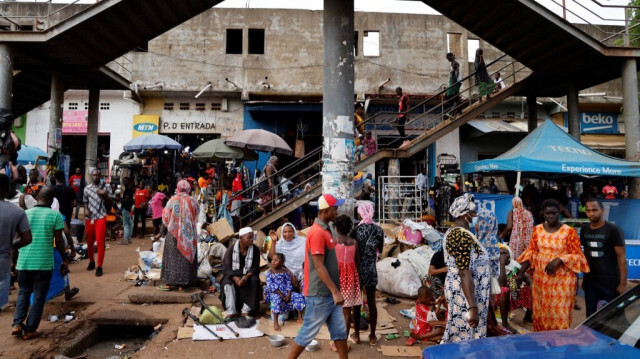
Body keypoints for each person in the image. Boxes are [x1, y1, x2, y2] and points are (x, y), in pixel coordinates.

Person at [287, 193, 348, 359]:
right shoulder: (317, 233)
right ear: (326, 211)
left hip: (329, 293)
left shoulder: (325, 230)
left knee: (340, 332)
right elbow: (319, 267)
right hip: (320, 294)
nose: (337, 212)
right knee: (307, 334)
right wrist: (335, 291)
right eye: (335, 209)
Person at [517, 199, 589, 332]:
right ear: (542, 214)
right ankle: (543, 343)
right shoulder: (537, 230)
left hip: (563, 280)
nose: (551, 216)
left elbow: (578, 256)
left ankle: (560, 344)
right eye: (547, 213)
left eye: (554, 213)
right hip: (541, 279)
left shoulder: (569, 232)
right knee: (542, 313)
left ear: (559, 212)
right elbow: (531, 253)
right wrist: (521, 272)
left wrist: (559, 259)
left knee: (560, 313)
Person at [12, 186, 67, 340]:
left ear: (37, 198)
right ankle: (30, 329)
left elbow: (16, 240)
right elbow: (59, 241)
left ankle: (17, 324)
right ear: (51, 200)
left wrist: (13, 261)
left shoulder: (24, 214)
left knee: (23, 292)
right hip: (43, 263)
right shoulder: (55, 216)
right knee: (38, 296)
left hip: (24, 262)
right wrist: (65, 259)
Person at [441, 194, 491, 343]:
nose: (476, 215)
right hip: (466, 294)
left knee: (462, 332)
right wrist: (473, 307)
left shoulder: (462, 233)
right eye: (473, 212)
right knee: (464, 334)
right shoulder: (460, 236)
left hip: (467, 292)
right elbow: (464, 273)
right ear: (464, 214)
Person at [580, 198, 627, 317]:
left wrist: (623, 284)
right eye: (588, 210)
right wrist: (585, 279)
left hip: (611, 281)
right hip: (592, 282)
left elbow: (621, 258)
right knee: (590, 316)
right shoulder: (584, 229)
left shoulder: (613, 230)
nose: (591, 213)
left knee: (615, 316)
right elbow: (586, 255)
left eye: (595, 210)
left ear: (602, 211)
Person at [158, 180, 199, 292]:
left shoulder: (172, 201)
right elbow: (196, 214)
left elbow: (166, 217)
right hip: (188, 235)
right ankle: (183, 285)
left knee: (172, 258)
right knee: (185, 258)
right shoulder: (193, 201)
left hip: (173, 234)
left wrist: (172, 226)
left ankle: (168, 283)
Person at [352, 200, 383, 346]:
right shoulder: (379, 230)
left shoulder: (356, 230)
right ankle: (372, 336)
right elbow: (381, 250)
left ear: (361, 212)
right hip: (371, 269)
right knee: (372, 303)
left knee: (356, 303)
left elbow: (352, 250)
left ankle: (357, 335)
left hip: (357, 269)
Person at [0, 174, 31, 311]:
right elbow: (27, 238)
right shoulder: (17, 212)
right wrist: (11, 245)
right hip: (3, 263)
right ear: (7, 189)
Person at [220, 227, 261, 319]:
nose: (252, 240)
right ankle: (231, 311)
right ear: (241, 238)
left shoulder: (255, 250)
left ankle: (245, 310)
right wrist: (235, 278)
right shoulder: (231, 250)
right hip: (233, 275)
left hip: (247, 275)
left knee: (254, 280)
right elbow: (226, 268)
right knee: (227, 283)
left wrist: (247, 276)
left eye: (252, 237)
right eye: (249, 238)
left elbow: (255, 267)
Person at [333, 215, 361, 348]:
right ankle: (343, 342)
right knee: (346, 311)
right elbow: (357, 262)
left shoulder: (335, 242)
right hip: (350, 277)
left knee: (336, 310)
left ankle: (337, 341)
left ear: (337, 229)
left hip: (337, 277)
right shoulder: (354, 243)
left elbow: (330, 261)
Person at [264, 253, 305, 331]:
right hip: (274, 292)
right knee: (276, 299)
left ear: (282, 262)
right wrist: (280, 294)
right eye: (272, 260)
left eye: (276, 260)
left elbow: (289, 283)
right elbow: (270, 285)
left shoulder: (285, 271)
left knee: (297, 296)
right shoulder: (270, 272)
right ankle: (275, 322)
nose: (273, 262)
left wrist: (289, 294)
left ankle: (300, 317)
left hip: (285, 292)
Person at [496, 243, 532, 333]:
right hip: (499, 295)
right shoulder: (496, 266)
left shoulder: (514, 264)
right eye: (500, 253)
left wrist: (532, 288)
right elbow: (503, 284)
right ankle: (505, 323)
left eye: (505, 253)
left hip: (514, 293)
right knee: (505, 291)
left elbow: (527, 278)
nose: (503, 256)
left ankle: (528, 317)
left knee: (532, 290)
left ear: (510, 254)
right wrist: (502, 264)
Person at [83, 169, 112, 277]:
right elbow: (85, 201)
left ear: (101, 176)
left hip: (101, 216)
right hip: (90, 218)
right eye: (94, 175)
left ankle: (99, 266)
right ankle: (91, 261)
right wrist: (86, 209)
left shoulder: (106, 187)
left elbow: (111, 202)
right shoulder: (87, 188)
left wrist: (104, 194)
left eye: (98, 175)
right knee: (89, 241)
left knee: (100, 242)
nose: (95, 176)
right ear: (91, 176)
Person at [117, 177, 134, 245]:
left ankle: (126, 239)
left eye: (126, 181)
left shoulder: (127, 190)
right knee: (129, 223)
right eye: (124, 181)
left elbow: (126, 200)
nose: (125, 182)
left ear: (129, 181)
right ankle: (129, 239)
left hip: (125, 208)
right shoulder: (129, 189)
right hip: (128, 208)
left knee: (126, 224)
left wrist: (118, 199)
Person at [445, 52, 462, 117]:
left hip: (456, 83)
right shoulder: (452, 63)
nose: (448, 59)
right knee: (456, 98)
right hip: (454, 82)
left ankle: (451, 112)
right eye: (447, 58)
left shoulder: (455, 63)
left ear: (451, 57)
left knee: (456, 98)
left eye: (448, 58)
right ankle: (459, 112)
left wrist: (455, 80)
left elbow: (457, 72)